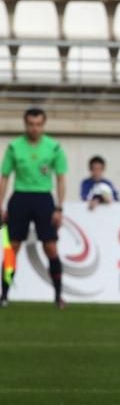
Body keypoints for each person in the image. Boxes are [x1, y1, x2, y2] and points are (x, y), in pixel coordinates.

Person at [0, 107, 67, 308]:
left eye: (38, 124)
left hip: (44, 200)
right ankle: (4, 296)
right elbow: (4, 177)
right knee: (12, 248)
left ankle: (58, 296)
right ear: (25, 124)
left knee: (51, 247)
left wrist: (59, 208)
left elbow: (61, 179)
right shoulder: (14, 147)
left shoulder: (54, 148)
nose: (34, 128)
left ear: (43, 125)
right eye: (31, 124)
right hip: (19, 198)